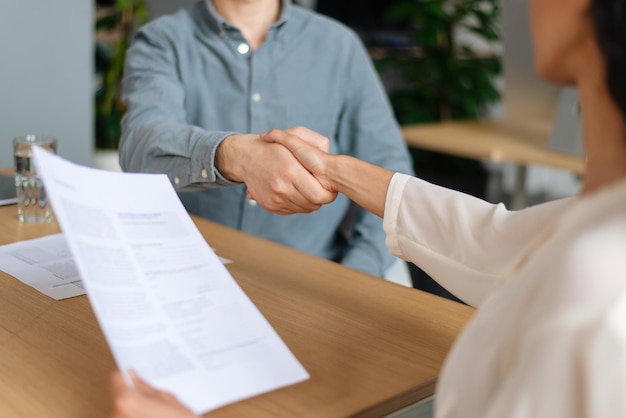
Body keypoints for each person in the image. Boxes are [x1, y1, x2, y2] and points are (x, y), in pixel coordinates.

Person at [109, 0, 626, 416]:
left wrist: (344, 286)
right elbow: (495, 238)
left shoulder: (592, 298)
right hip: (198, 301)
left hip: (310, 307)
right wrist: (242, 154)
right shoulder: (165, 40)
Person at [118, 0, 414, 280]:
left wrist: (358, 272)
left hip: (312, 284)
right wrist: (236, 156)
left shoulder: (340, 46)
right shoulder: (161, 41)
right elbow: (141, 146)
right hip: (191, 274)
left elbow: (391, 170)